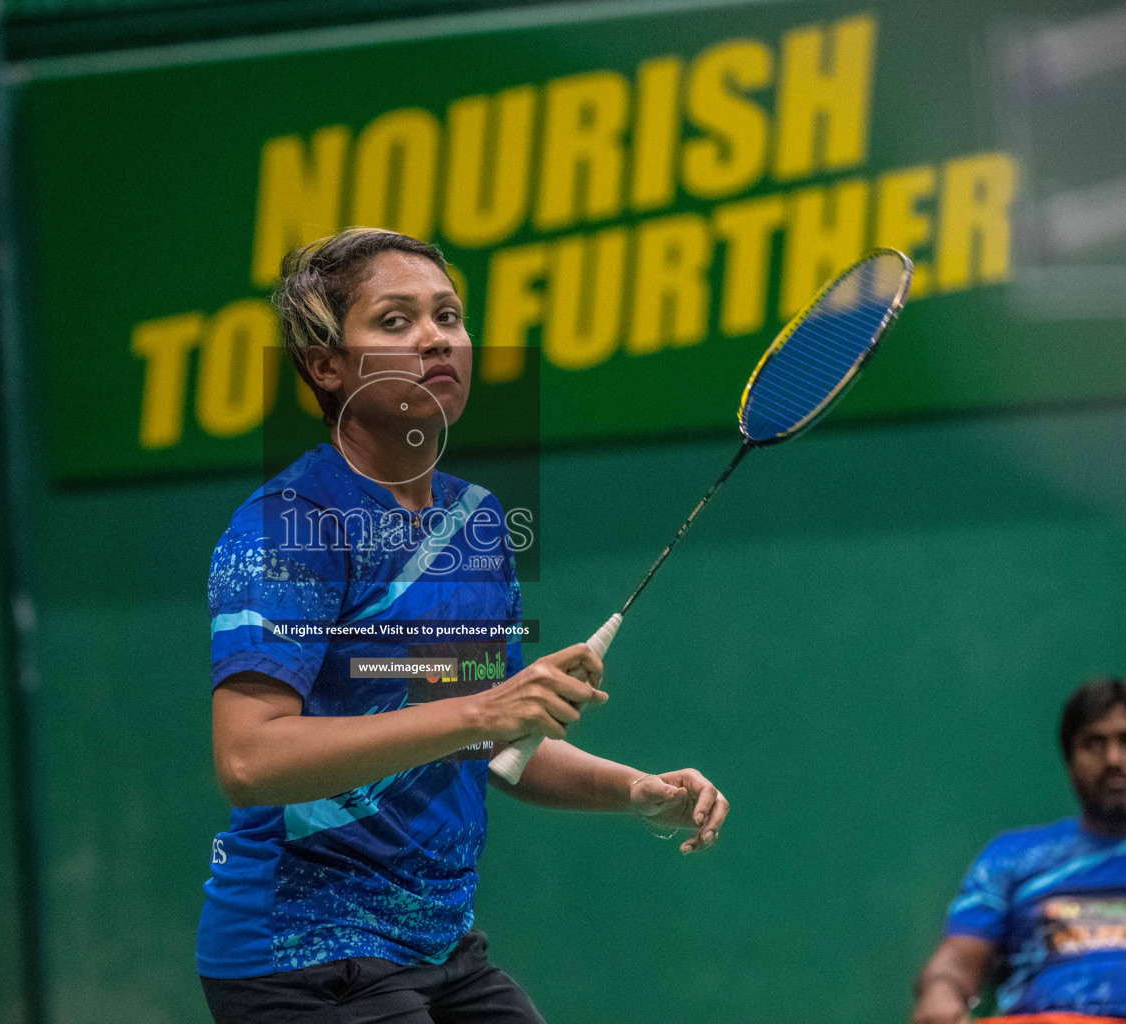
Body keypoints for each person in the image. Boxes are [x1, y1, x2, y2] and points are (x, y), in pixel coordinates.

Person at [198, 227, 731, 1024]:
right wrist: (483, 709)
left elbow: (494, 747)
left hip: (437, 947)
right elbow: (248, 758)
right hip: (305, 956)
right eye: (394, 320)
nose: (435, 337)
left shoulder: (475, 523)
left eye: (449, 316)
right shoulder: (292, 526)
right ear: (324, 365)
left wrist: (631, 792)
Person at [912, 678, 1126, 1024]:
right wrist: (941, 989)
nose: (1113, 759)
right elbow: (960, 954)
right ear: (1069, 761)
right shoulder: (1012, 856)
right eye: (1094, 743)